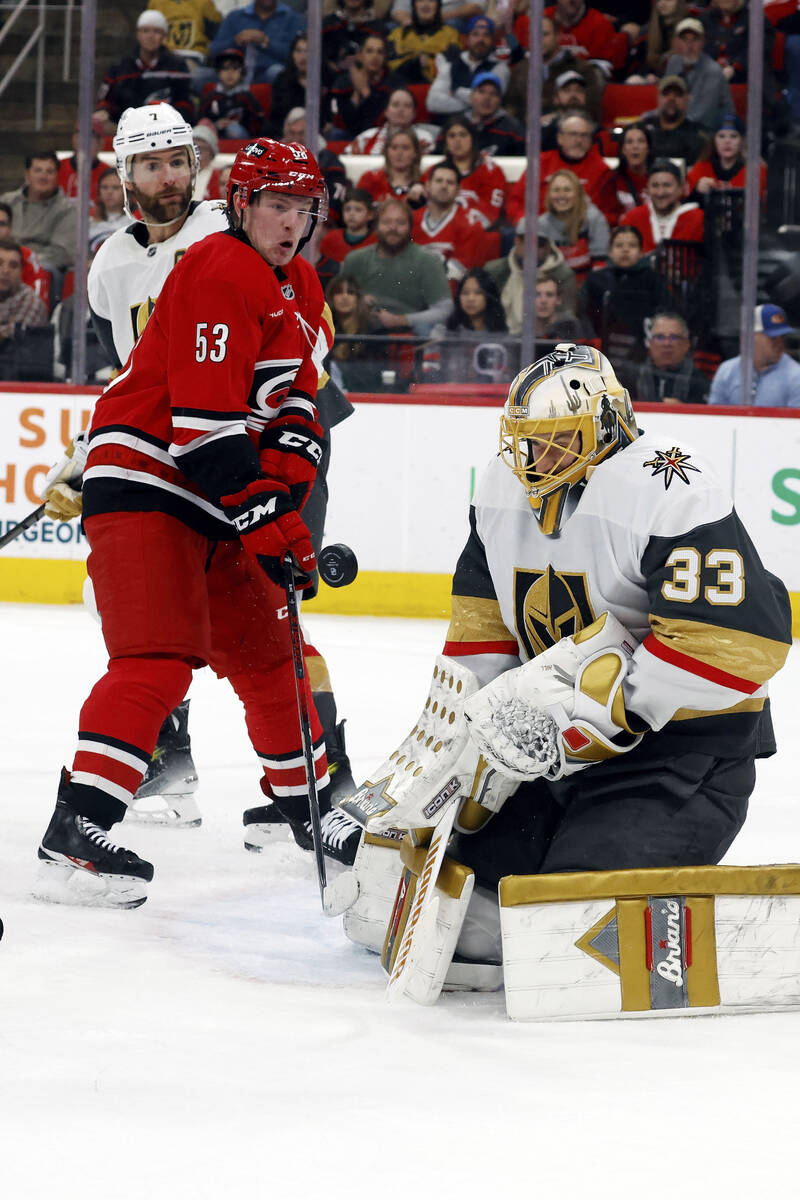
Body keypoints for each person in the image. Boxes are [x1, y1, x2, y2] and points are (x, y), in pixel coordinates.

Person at [355, 342, 792, 975]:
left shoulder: (671, 486)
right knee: (462, 911)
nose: (538, 458)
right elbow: (482, 636)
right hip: (555, 759)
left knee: (565, 928)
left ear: (608, 425)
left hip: (683, 759)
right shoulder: (504, 487)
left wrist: (608, 710)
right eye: (529, 440)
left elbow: (741, 643)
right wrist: (459, 755)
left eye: (559, 438)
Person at [35, 136, 366, 911]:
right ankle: (76, 833)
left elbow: (295, 413)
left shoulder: (298, 283)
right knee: (157, 657)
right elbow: (204, 427)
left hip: (212, 497)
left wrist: (284, 509)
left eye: (302, 209)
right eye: (276, 206)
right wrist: (270, 523)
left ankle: (308, 810)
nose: (290, 223)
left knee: (266, 650)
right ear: (242, 205)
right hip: (150, 479)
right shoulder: (221, 268)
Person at [337, 196, 453, 335]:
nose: (393, 228)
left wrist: (402, 320)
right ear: (376, 227)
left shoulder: (428, 260)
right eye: (386, 222)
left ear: (410, 227)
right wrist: (358, 303)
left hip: (412, 337)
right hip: (361, 335)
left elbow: (444, 309)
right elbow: (334, 302)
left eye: (401, 223)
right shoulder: (355, 259)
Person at [506, 111, 617, 226]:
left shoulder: (601, 169)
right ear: (560, 138)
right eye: (573, 134)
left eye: (584, 135)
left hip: (583, 233)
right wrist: (527, 224)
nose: (579, 140)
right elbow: (516, 203)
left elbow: (609, 214)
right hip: (540, 232)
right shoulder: (540, 163)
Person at [93, 10, 195, 133]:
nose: (150, 36)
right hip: (125, 131)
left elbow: (185, 105)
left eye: (156, 31)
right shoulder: (120, 67)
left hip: (165, 131)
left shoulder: (178, 66)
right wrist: (104, 112)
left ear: (165, 36)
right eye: (145, 31)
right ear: (138, 34)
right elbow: (106, 101)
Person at [579, 224, 668, 361]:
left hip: (642, 350)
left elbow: (664, 313)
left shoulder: (654, 280)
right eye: (619, 245)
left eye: (632, 246)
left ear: (641, 252)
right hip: (602, 349)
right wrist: (593, 340)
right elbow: (582, 312)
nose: (625, 250)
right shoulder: (595, 279)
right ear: (610, 251)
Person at [485, 221, 578, 336]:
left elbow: (565, 316)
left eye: (539, 243)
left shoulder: (563, 275)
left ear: (548, 246)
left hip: (545, 340)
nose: (532, 249)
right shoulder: (495, 270)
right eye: (527, 242)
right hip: (501, 338)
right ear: (517, 241)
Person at [0, 151, 78, 277]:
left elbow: (62, 254)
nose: (43, 176)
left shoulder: (67, 210)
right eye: (38, 170)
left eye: (49, 171)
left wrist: (22, 261)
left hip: (41, 268)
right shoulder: (6, 202)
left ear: (57, 175)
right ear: (27, 174)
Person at [708, 304, 800, 407]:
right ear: (749, 338)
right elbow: (715, 418)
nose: (780, 343)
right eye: (773, 337)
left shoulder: (796, 376)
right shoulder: (726, 371)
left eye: (782, 337)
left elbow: (794, 422)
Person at [426, 14, 511, 118]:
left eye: (486, 35)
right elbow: (432, 102)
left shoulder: (500, 68)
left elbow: (492, 105)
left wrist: (456, 92)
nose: (481, 39)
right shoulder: (450, 65)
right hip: (447, 126)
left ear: (493, 41)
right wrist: (476, 102)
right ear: (466, 39)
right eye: (475, 34)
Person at [537, 169, 609, 283]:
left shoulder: (594, 218)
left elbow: (601, 263)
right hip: (554, 285)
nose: (561, 196)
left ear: (578, 193)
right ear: (549, 194)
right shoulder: (541, 224)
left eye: (567, 190)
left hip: (587, 283)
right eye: (556, 190)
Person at [208, 0, 305, 84]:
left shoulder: (294, 19)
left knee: (278, 73)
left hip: (269, 72)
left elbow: (300, 56)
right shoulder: (234, 17)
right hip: (233, 71)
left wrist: (267, 44)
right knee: (201, 76)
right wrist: (236, 41)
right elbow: (214, 51)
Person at [435, 116, 507, 229]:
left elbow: (490, 214)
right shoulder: (436, 171)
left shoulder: (491, 171)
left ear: (472, 139)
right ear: (445, 141)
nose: (457, 140)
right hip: (438, 231)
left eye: (463, 135)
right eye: (452, 136)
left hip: (476, 233)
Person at [663, 17, 734, 131]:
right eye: (684, 39)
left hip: (710, 131)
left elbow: (702, 114)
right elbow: (666, 101)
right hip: (681, 125)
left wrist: (669, 127)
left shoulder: (713, 71)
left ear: (703, 42)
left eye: (695, 39)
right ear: (676, 43)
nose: (689, 46)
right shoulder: (674, 63)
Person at [412, 160, 480, 281]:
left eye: (450, 182)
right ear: (427, 186)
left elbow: (458, 273)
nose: (444, 186)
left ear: (458, 190)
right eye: (439, 181)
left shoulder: (469, 223)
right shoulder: (410, 220)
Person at [620, 158, 704, 253]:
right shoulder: (632, 219)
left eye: (667, 185)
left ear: (681, 188)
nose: (660, 193)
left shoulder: (699, 219)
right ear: (647, 189)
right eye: (655, 186)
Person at [329, 32, 402, 139]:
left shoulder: (394, 83)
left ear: (385, 57)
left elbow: (377, 122)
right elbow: (346, 124)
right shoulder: (343, 83)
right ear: (359, 55)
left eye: (380, 52)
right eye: (369, 51)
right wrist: (356, 95)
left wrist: (364, 91)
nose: (375, 57)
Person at [628, 309, 711, 403]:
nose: (667, 343)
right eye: (660, 337)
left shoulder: (699, 382)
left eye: (674, 337)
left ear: (686, 344)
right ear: (650, 343)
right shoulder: (631, 377)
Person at [687, 113, 767, 205]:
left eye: (733, 136)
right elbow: (684, 202)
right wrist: (697, 190)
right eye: (721, 136)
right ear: (714, 140)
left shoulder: (755, 171)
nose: (727, 141)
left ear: (742, 140)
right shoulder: (701, 168)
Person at [325, 273, 384, 390]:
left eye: (350, 293)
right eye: (339, 292)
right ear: (331, 297)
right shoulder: (323, 326)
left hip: (363, 394)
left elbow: (374, 373)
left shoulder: (374, 329)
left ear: (358, 298)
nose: (345, 297)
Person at [268, 32, 333, 137]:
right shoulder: (282, 79)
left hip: (319, 134)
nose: (303, 57)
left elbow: (330, 113)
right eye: (298, 51)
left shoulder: (327, 78)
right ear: (292, 54)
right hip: (287, 133)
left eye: (308, 51)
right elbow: (277, 114)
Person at [197, 46, 269, 139]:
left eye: (235, 68)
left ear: (242, 72)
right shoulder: (211, 97)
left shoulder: (247, 97)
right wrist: (215, 125)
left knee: (233, 130)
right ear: (218, 72)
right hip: (214, 136)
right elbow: (200, 120)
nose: (230, 73)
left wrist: (235, 124)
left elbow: (260, 123)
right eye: (225, 68)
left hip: (242, 139)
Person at [343, 86, 438, 154]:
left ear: (414, 113)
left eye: (407, 106)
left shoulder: (424, 139)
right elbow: (347, 159)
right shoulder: (367, 137)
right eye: (395, 105)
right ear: (386, 111)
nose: (401, 110)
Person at [387, 0, 461, 84]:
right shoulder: (397, 34)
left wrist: (429, 63)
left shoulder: (451, 34)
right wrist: (414, 62)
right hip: (400, 83)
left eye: (431, 1)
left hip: (437, 85)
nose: (426, 4)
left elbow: (453, 66)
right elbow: (390, 64)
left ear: (438, 6)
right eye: (421, 0)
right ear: (414, 5)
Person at [641, 74, 709, 165]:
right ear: (658, 98)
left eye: (678, 94)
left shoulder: (699, 135)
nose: (671, 98)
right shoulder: (642, 129)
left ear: (687, 100)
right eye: (666, 94)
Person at [356, 128, 427, 208]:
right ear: (386, 152)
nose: (399, 153)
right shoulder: (370, 178)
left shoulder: (426, 182)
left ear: (416, 152)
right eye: (394, 147)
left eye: (405, 148)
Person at [149, 0, 223, 69]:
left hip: (192, 55)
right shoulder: (156, 3)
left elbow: (217, 33)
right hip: (163, 55)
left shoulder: (203, 2)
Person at [466, 72, 526, 158]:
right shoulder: (457, 125)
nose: (487, 98)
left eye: (493, 94)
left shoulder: (514, 131)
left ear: (500, 100)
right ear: (471, 96)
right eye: (481, 92)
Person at [322, 0, 389, 76]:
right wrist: (329, 64)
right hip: (329, 79)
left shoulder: (378, 28)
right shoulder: (327, 25)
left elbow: (383, 61)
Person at [0, 239, 49, 341]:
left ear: (21, 271)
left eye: (13, 266)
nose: (5, 271)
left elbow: (15, 333)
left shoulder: (31, 301)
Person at [57, 122, 109, 205]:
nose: (85, 143)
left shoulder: (108, 173)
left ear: (100, 143)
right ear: (73, 139)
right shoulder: (57, 168)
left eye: (90, 138)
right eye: (80, 137)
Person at [320, 187, 376, 262]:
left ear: (370, 215)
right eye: (347, 209)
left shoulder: (376, 241)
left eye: (358, 209)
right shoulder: (331, 238)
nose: (351, 214)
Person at [610, 123, 653, 220]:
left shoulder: (660, 179)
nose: (635, 146)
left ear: (648, 148)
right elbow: (605, 215)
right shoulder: (611, 181)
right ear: (623, 149)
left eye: (641, 141)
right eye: (629, 142)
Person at [533, 274, 588, 340]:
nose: (543, 300)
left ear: (558, 299)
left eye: (549, 295)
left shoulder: (570, 326)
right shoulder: (523, 330)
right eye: (537, 294)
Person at [88, 168, 129, 253]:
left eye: (115, 187)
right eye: (105, 187)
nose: (109, 192)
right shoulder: (88, 223)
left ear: (126, 191)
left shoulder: (134, 223)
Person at [192, 123, 224, 200]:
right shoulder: (180, 174)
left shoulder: (219, 176)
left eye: (202, 148)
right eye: (194, 147)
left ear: (211, 153)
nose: (198, 153)